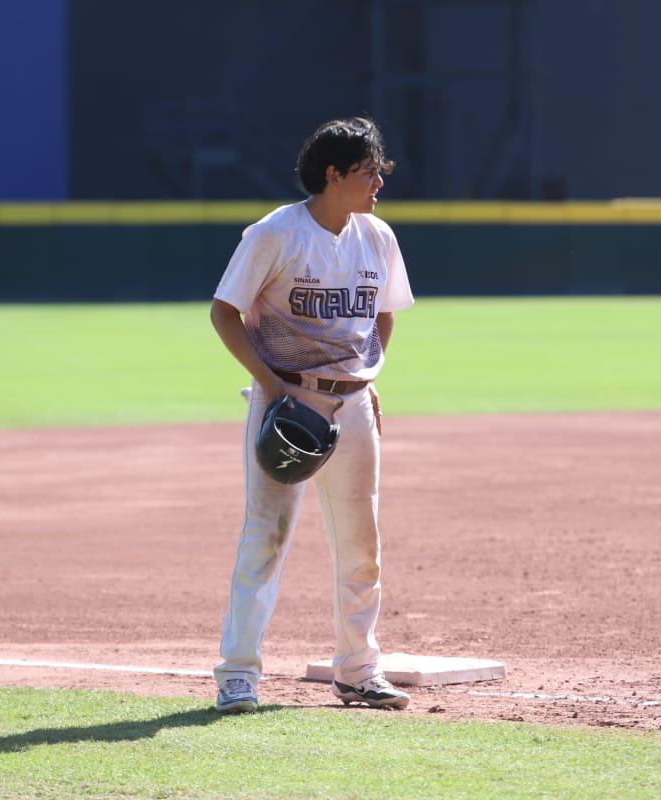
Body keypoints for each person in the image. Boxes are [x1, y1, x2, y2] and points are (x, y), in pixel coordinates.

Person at [209, 116, 414, 713]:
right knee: (265, 539)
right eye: (369, 171)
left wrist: (365, 376)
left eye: (380, 171)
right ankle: (238, 674)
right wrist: (270, 385)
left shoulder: (377, 236)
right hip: (287, 403)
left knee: (361, 543)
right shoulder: (276, 233)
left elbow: (385, 313)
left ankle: (358, 669)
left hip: (352, 406)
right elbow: (225, 312)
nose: (379, 182)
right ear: (333, 173)